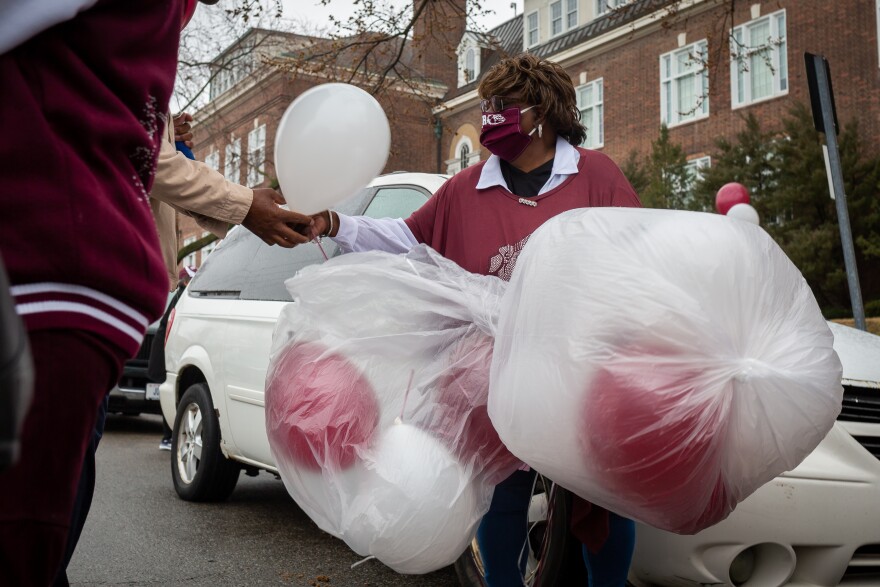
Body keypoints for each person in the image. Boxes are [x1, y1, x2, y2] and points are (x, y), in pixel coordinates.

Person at [293, 54, 641, 586]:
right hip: (491, 373)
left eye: (501, 107)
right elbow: (406, 239)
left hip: (580, 369)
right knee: (500, 496)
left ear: (541, 112)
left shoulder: (597, 176)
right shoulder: (466, 187)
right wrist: (336, 223)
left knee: (603, 500)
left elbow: (639, 260)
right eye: (484, 107)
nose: (488, 118)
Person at [150, 265, 196, 451]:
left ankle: (170, 436)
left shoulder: (182, 296)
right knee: (170, 391)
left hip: (170, 350)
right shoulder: (181, 297)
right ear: (186, 281)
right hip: (167, 351)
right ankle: (168, 437)